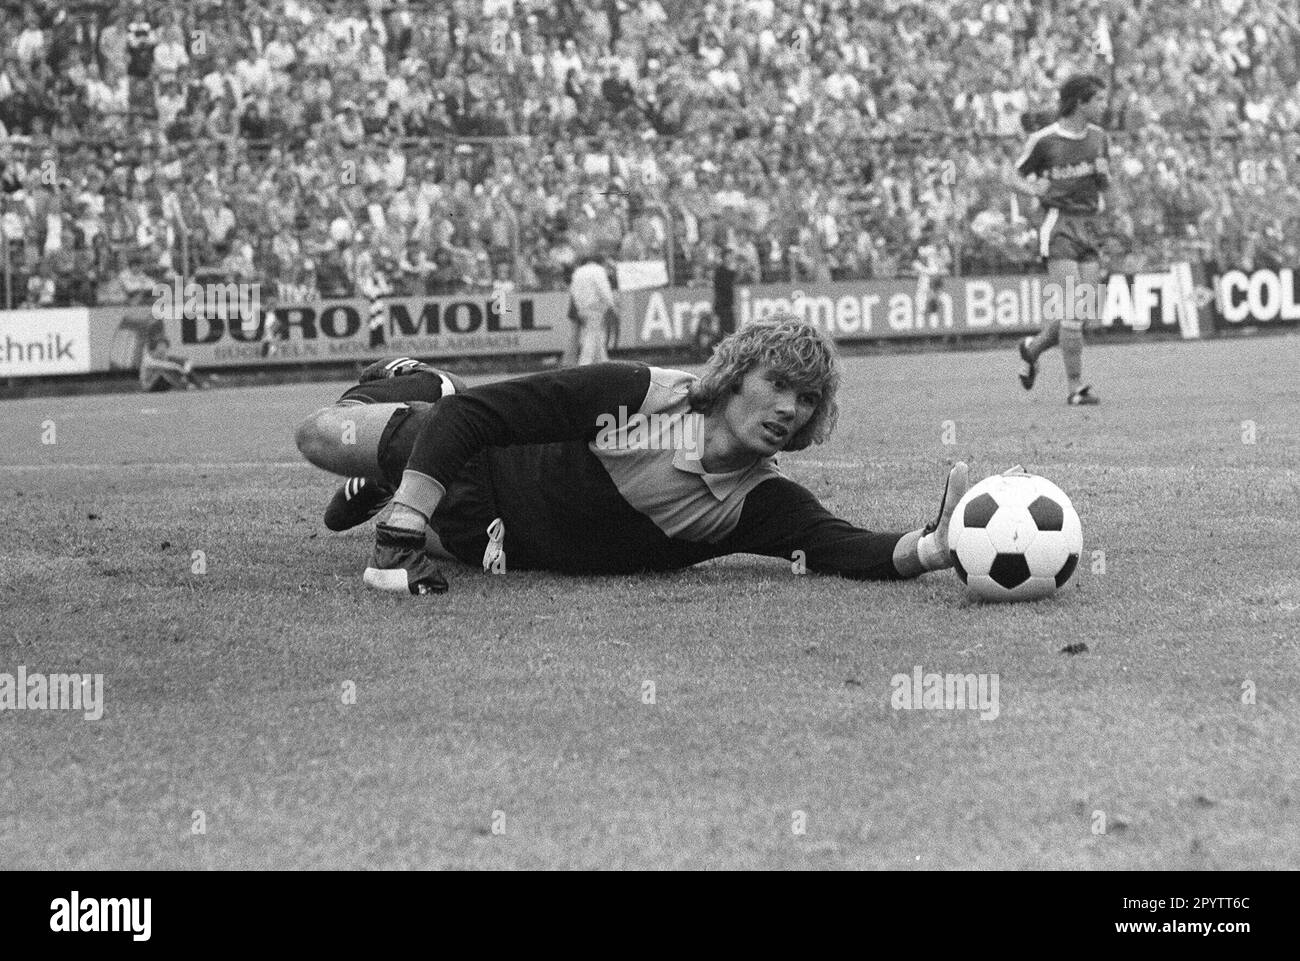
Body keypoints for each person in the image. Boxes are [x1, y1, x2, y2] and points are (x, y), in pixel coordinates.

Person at [295, 315, 970, 596]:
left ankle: (395, 482)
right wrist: (403, 528)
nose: (791, 407)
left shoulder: (757, 503)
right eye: (779, 385)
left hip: (481, 541)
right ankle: (417, 382)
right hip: (475, 458)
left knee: (391, 474)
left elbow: (846, 547)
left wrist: (936, 548)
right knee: (322, 434)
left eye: (807, 397)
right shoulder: (639, 394)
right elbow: (475, 417)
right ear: (735, 376)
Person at [1004, 74, 1111, 406]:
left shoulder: (1099, 138)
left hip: (1089, 225)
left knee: (1080, 315)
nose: (1103, 106)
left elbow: (1104, 183)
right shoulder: (1045, 140)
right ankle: (1075, 388)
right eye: (1098, 100)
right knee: (1070, 310)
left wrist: (1105, 184)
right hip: (1059, 225)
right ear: (1080, 102)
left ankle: (1032, 348)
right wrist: (1033, 189)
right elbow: (1010, 175)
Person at [565, 254, 619, 365]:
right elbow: (603, 290)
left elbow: (573, 291)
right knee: (592, 336)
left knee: (597, 336)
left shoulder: (578, 271)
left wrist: (580, 307)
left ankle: (604, 363)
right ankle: (584, 364)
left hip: (582, 307)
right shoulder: (598, 271)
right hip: (595, 306)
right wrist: (612, 305)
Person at [139, 335, 203, 391]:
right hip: (148, 387)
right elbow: (165, 366)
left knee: (180, 367)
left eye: (164, 346)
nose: (163, 349)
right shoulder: (148, 359)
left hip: (162, 385)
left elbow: (188, 361)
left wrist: (186, 369)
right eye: (160, 346)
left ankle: (198, 384)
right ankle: (185, 386)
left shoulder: (166, 357)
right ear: (154, 347)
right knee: (164, 370)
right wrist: (179, 368)